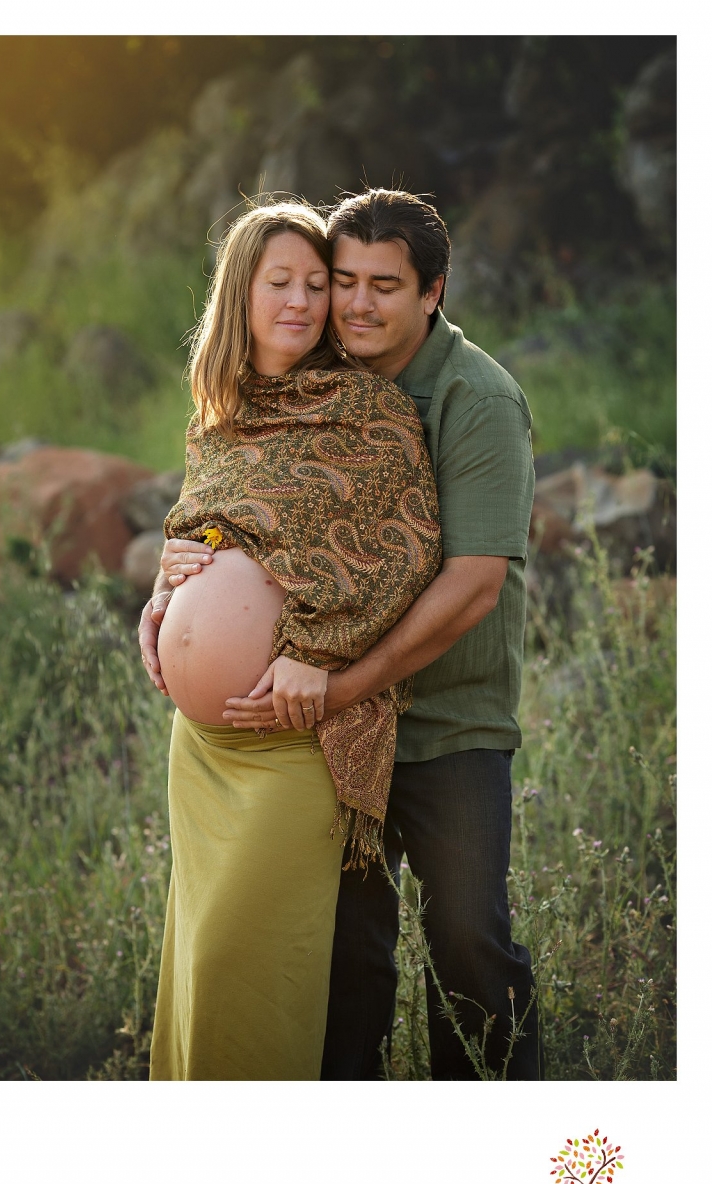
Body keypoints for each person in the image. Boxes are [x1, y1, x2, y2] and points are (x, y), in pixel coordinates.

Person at [156, 189, 541, 1081]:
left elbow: (472, 583)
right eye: (344, 281)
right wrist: (166, 595)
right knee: (345, 963)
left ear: (432, 292)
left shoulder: (473, 398)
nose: (355, 304)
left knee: (471, 948)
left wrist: (338, 681)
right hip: (324, 735)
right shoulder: (314, 369)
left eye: (384, 286)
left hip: (443, 724)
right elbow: (237, 510)